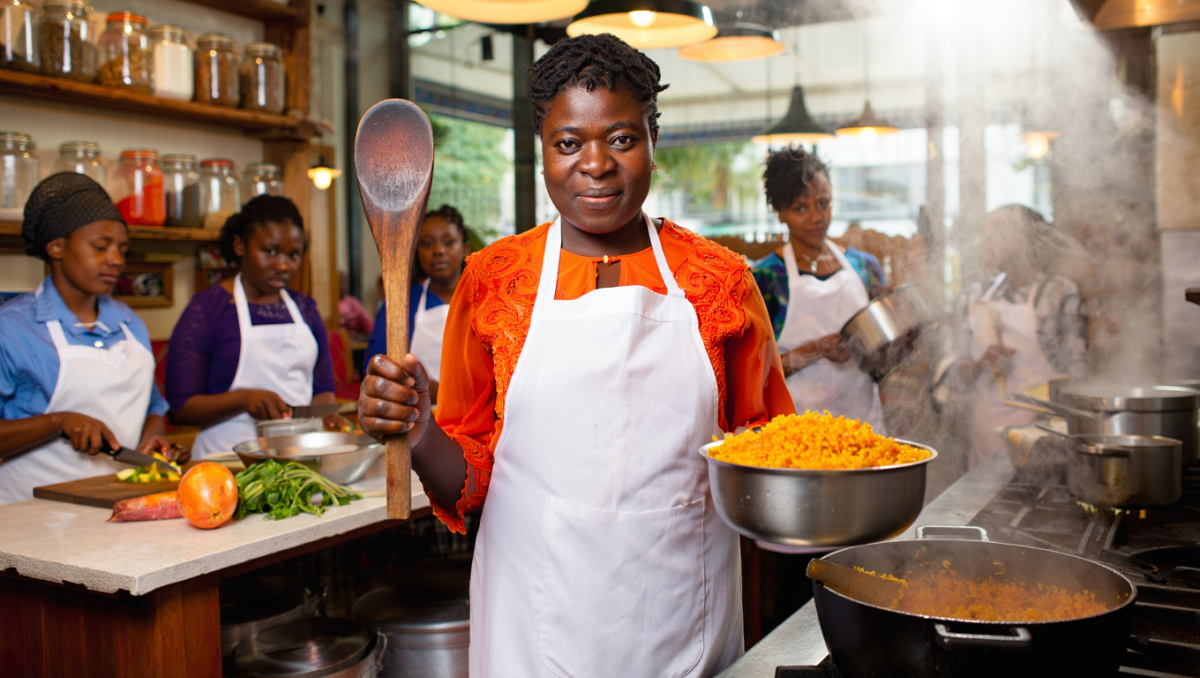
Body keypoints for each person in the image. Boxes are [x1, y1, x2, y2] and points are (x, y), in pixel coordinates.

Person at [358, 34, 793, 676]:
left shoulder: (719, 281)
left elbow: (770, 457)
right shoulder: (494, 279)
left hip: (682, 616)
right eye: (568, 143)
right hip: (533, 623)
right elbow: (470, 480)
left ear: (653, 141)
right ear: (542, 152)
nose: (596, 164)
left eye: (622, 138)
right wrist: (419, 431)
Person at [0, 173, 173, 505]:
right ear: (56, 247)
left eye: (122, 249)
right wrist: (57, 421)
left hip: (115, 501)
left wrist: (153, 436)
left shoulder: (128, 321)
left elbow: (152, 405)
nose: (116, 259)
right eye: (100, 246)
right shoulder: (13, 328)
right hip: (30, 514)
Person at [165, 196, 344, 458]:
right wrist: (243, 399)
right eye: (270, 251)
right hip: (226, 461)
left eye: (293, 255)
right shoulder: (207, 310)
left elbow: (323, 389)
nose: (283, 265)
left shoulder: (305, 309)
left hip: (301, 458)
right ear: (240, 246)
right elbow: (180, 408)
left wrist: (328, 417)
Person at [934, 204, 1089, 467]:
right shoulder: (974, 296)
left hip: (1045, 439)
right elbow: (952, 370)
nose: (986, 240)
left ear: (1030, 239)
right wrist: (980, 364)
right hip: (987, 436)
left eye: (997, 231)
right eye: (986, 232)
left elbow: (1080, 377)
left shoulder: (1060, 292)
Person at [752, 147, 888, 433]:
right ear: (780, 213)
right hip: (797, 431)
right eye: (800, 208)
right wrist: (815, 350)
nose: (816, 217)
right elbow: (756, 375)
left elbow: (883, 358)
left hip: (863, 426)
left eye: (823, 203)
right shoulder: (766, 277)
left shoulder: (864, 267)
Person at [363, 205, 470, 403]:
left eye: (448, 242)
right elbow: (377, 368)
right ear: (416, 251)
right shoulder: (401, 305)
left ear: (465, 248)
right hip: (420, 416)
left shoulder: (484, 298)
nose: (438, 251)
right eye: (427, 244)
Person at [337, 271, 374, 339]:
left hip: (354, 344)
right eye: (340, 282)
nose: (343, 285)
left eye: (346, 282)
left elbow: (368, 324)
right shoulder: (328, 306)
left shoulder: (353, 302)